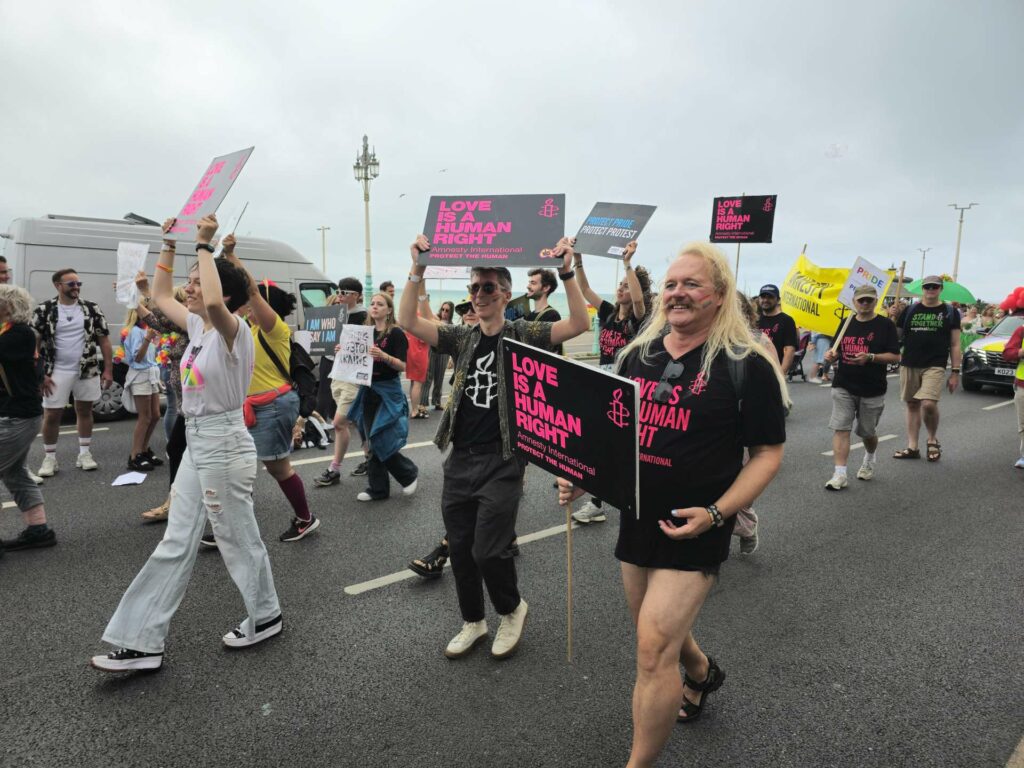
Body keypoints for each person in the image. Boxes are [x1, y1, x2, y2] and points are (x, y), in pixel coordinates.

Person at [558, 242, 786, 767]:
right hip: (638, 514)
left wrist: (717, 513)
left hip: (698, 524)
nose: (677, 293)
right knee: (653, 629)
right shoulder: (637, 355)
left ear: (719, 294)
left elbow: (768, 454)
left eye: (692, 284)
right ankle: (704, 673)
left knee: (653, 648)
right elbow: (613, 433)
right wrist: (583, 479)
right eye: (670, 284)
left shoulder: (744, 363)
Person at [91, 214, 281, 673]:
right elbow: (157, 295)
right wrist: (169, 243)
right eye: (190, 282)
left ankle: (266, 614)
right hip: (199, 444)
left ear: (226, 296)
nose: (188, 289)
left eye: (196, 283)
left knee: (237, 538)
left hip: (225, 444)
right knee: (177, 539)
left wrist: (204, 244)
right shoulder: (196, 329)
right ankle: (142, 641)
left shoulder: (234, 331)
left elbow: (214, 297)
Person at [399, 234, 590, 660]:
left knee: (488, 550)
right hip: (461, 457)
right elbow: (408, 320)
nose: (478, 295)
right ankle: (473, 622)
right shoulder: (462, 338)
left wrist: (567, 271)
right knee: (461, 550)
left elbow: (580, 324)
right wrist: (417, 269)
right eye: (473, 287)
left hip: (504, 459)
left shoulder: (524, 332)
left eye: (487, 287)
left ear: (506, 293)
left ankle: (511, 608)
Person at [221, 235, 319, 542]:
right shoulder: (244, 328)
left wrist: (234, 258)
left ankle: (305, 518)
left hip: (273, 407)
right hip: (247, 407)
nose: (248, 307)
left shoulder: (275, 329)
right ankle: (231, 526)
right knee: (238, 467)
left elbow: (250, 290)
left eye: (253, 304)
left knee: (278, 468)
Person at [571, 241, 650, 524]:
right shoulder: (607, 312)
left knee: (620, 446)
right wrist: (578, 259)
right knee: (599, 443)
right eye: (620, 284)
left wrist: (628, 264)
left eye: (627, 285)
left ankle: (631, 493)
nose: (621, 289)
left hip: (626, 388)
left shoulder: (640, 319)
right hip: (601, 383)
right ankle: (597, 500)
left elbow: (639, 302)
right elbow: (585, 290)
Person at [32, 269, 113, 475]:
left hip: (87, 369)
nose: (76, 287)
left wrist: (108, 370)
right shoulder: (45, 309)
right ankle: (50, 459)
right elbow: (35, 341)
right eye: (71, 284)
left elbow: (104, 339)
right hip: (55, 370)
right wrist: (39, 373)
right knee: (51, 415)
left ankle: (84, 454)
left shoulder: (91, 308)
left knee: (85, 411)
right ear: (58, 286)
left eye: (78, 284)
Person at [822, 285, 901, 490]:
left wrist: (871, 357)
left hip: (872, 387)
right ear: (854, 302)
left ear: (875, 301)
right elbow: (835, 350)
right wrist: (831, 355)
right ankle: (840, 474)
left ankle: (869, 457)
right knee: (841, 427)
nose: (865, 303)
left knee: (867, 433)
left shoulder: (885, 325)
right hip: (844, 384)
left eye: (869, 300)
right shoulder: (846, 322)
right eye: (861, 300)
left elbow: (895, 356)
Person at [0, 285, 57, 557]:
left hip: (17, 417)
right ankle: (38, 530)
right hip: (18, 413)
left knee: (13, 472)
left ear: (8, 307)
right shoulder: (13, 334)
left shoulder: (18, 335)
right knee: (15, 473)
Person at [349, 292, 419, 501]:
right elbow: (356, 361)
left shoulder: (396, 333)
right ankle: (378, 488)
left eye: (380, 304)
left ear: (389, 310)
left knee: (380, 437)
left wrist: (384, 356)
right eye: (372, 304)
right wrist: (343, 352)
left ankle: (408, 473)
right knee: (370, 440)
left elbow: (405, 366)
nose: (375, 307)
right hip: (368, 389)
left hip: (388, 390)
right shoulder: (365, 332)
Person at [132, 275, 189, 522]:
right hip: (188, 406)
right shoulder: (183, 327)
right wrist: (134, 301)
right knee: (180, 451)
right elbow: (159, 323)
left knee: (178, 449)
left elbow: (164, 321)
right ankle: (178, 502)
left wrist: (146, 292)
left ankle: (176, 503)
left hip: (199, 408)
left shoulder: (194, 325)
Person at [893, 276, 961, 462]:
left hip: (935, 364)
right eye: (927, 286)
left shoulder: (950, 312)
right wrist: (893, 316)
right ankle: (912, 447)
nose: (931, 289)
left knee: (928, 404)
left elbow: (955, 344)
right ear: (922, 289)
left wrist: (955, 372)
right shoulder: (909, 309)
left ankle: (932, 439)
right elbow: (895, 337)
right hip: (910, 363)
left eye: (935, 286)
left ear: (940, 289)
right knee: (912, 404)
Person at [314, 277, 369, 485]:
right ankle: (370, 459)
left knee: (339, 422)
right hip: (337, 372)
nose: (340, 295)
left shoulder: (364, 316)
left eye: (345, 292)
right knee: (358, 421)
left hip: (354, 376)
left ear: (356, 295)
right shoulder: (335, 314)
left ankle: (334, 468)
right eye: (338, 291)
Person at [121, 307, 163, 472]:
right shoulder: (135, 332)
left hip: (151, 375)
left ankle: (144, 450)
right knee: (145, 417)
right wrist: (147, 339)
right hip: (140, 376)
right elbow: (137, 358)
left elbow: (152, 358)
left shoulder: (148, 331)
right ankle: (135, 455)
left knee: (155, 415)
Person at [998, 303, 1024, 469]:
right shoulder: (1021, 330)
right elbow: (1008, 353)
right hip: (1023, 385)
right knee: (1023, 424)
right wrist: (1021, 352)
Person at [420, 300, 455, 412]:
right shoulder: (435, 319)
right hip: (431, 349)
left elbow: (452, 343)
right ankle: (423, 403)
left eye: (447, 310)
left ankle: (437, 401)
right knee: (428, 376)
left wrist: (451, 358)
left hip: (444, 353)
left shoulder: (452, 325)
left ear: (451, 312)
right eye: (443, 309)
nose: (444, 312)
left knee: (439, 377)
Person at [756, 284, 798, 376]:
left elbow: (790, 350)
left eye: (770, 297)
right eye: (763, 297)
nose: (766, 300)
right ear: (759, 299)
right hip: (753, 371)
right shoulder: (754, 319)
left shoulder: (787, 320)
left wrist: (781, 374)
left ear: (778, 300)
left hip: (774, 371)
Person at [406, 281, 432, 419]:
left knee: (413, 382)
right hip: (420, 352)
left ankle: (414, 408)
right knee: (418, 383)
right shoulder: (421, 317)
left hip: (411, 351)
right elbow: (425, 337)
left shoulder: (411, 315)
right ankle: (415, 409)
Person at [524, 267, 563, 355]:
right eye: (529, 282)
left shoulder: (552, 315)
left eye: (533, 283)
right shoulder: (528, 315)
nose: (528, 286)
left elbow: (554, 351)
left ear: (545, 288)